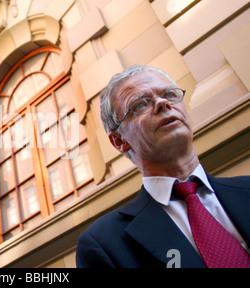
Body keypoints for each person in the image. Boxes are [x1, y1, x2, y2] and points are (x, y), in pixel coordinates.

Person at [76, 65, 250, 268]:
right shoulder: (103, 243)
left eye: (170, 94)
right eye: (140, 104)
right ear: (119, 141)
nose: (162, 103)